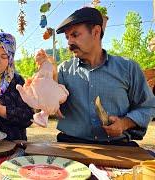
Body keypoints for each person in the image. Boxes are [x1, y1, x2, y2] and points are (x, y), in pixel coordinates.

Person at [23, 7, 155, 146]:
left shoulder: (128, 68)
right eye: (67, 37)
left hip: (117, 146)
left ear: (96, 32)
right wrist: (46, 76)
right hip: (72, 146)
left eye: (75, 35)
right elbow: (51, 106)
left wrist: (124, 123)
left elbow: (147, 107)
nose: (69, 42)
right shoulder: (63, 70)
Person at [0, 32, 34, 141]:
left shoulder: (17, 81)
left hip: (11, 147)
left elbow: (29, 117)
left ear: (10, 58)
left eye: (4, 56)